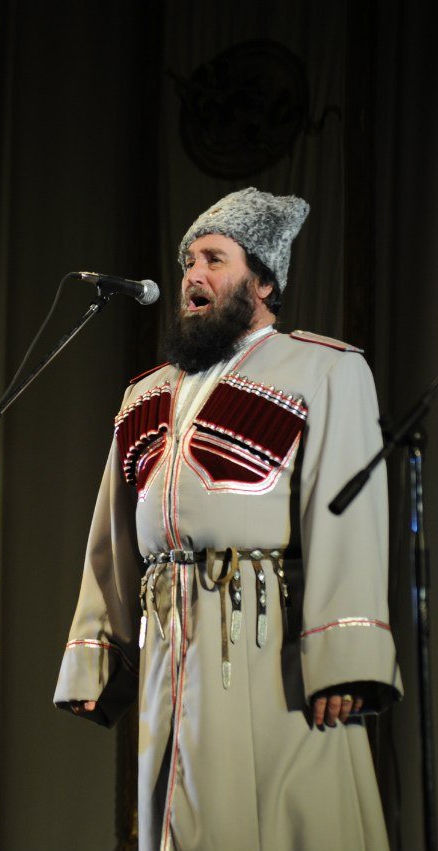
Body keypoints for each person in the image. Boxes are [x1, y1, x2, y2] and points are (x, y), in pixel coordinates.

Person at [54, 188, 402, 850]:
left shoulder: (323, 369)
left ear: (263, 281)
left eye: (215, 259)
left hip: (267, 640)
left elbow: (350, 516)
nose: (193, 275)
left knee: (279, 817)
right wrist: (97, 655)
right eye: (189, 261)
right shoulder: (145, 394)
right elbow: (113, 538)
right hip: (170, 638)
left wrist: (344, 659)